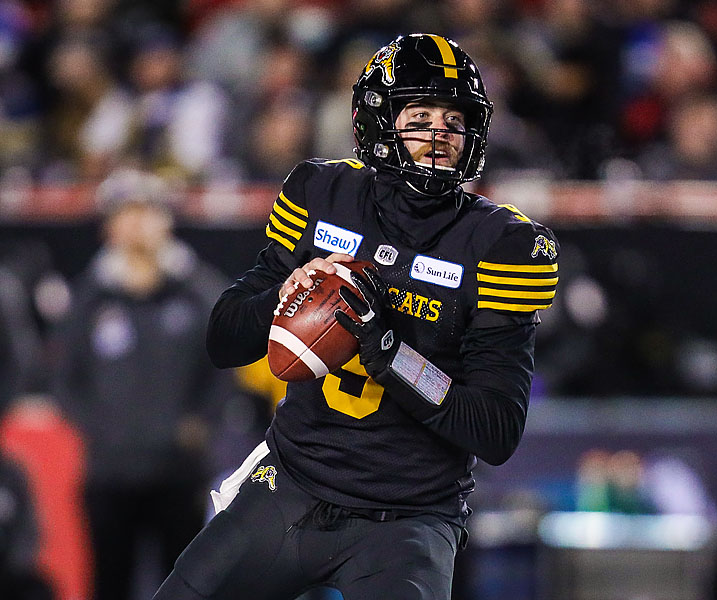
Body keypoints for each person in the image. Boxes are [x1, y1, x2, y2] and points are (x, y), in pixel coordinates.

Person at [154, 33, 560, 600]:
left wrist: (389, 351)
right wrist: (282, 302)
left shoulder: (499, 244)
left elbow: (494, 430)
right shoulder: (323, 192)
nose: (440, 137)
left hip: (407, 519)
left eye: (453, 120)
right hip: (291, 486)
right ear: (378, 120)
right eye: (420, 116)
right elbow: (223, 339)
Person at [53, 168, 229, 600]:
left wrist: (201, 422)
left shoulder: (199, 291)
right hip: (109, 474)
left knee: (184, 585)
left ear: (166, 220)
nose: (136, 224)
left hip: (178, 471)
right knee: (109, 583)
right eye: (126, 213)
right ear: (108, 226)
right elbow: (62, 377)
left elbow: (226, 365)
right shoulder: (89, 297)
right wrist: (100, 431)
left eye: (146, 211)